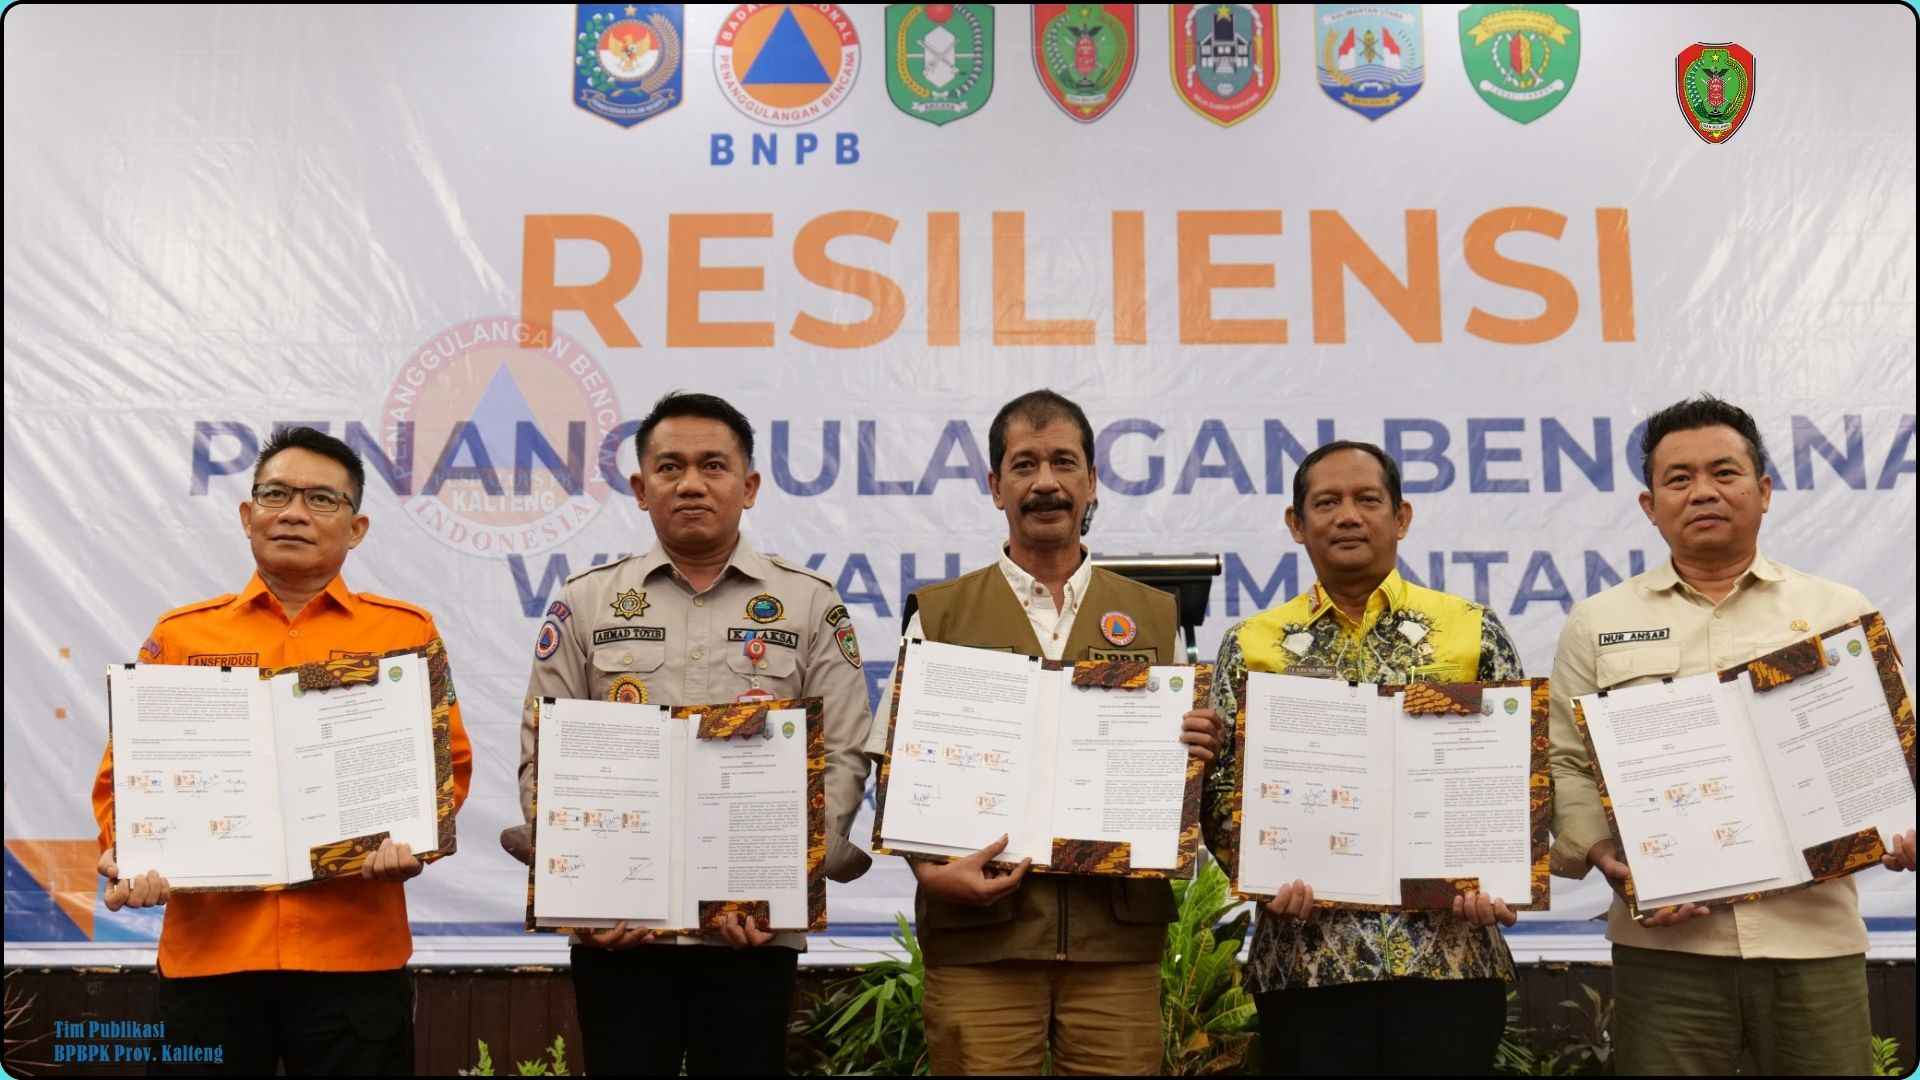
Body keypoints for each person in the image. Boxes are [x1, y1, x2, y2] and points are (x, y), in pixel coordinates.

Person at [1548, 394, 1918, 1075]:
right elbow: (1567, 762)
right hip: (1667, 951)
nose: (1703, 492)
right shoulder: (1598, 621)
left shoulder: (1837, 612)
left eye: (1725, 472)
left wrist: (1900, 823)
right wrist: (1602, 851)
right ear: (1648, 504)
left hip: (1814, 940)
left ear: (1764, 490)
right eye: (1679, 479)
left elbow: (1892, 751)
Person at [90, 425, 474, 1075]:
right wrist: (136, 850)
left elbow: (450, 766)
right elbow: (122, 780)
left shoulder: (404, 633)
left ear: (357, 529)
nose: (294, 512)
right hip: (211, 956)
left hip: (352, 958)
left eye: (322, 500)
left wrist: (414, 834)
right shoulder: (182, 636)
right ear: (248, 516)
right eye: (276, 494)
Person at [512, 391, 874, 1076]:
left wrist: (784, 883)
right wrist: (585, 893)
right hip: (619, 929)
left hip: (753, 927)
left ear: (750, 486)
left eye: (713, 466)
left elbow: (846, 755)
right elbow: (544, 750)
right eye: (670, 467)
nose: (691, 483)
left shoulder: (808, 603)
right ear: (641, 488)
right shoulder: (586, 599)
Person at [864, 389, 1223, 1075]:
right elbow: (897, 769)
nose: (1046, 483)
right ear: (994, 485)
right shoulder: (939, 615)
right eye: (1024, 465)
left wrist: (1197, 748)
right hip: (980, 944)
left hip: (1116, 943)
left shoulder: (1154, 616)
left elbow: (1183, 769)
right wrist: (931, 875)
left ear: (1092, 481)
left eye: (1064, 462)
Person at [1199, 440, 1525, 1076]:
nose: (1348, 515)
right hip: (1306, 964)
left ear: (1400, 517)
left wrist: (1500, 876)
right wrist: (1261, 871)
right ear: (1297, 524)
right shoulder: (1253, 645)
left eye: (1367, 499)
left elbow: (1514, 780)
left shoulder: (1470, 630)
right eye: (1326, 502)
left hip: (1448, 961)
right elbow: (1219, 789)